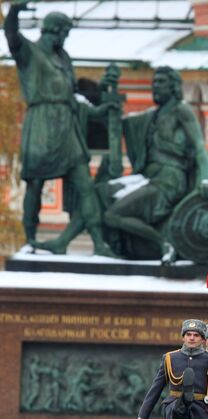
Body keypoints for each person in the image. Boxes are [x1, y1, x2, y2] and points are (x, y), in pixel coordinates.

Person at [4, 2, 113, 256]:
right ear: (53, 30)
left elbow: (74, 98)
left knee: (85, 183)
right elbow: (10, 35)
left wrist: (98, 110)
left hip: (67, 125)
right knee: (35, 183)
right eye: (64, 32)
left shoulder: (63, 59)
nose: (66, 37)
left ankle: (98, 243)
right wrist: (15, 11)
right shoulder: (28, 52)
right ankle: (30, 239)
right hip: (42, 123)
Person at [103, 66, 208, 263]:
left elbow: (199, 146)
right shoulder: (152, 116)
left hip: (169, 181)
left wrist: (205, 178)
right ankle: (111, 247)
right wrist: (110, 104)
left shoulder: (181, 110)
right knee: (101, 192)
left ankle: (164, 242)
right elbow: (122, 125)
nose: (155, 86)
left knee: (113, 215)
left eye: (161, 82)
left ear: (173, 87)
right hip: (148, 178)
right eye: (154, 82)